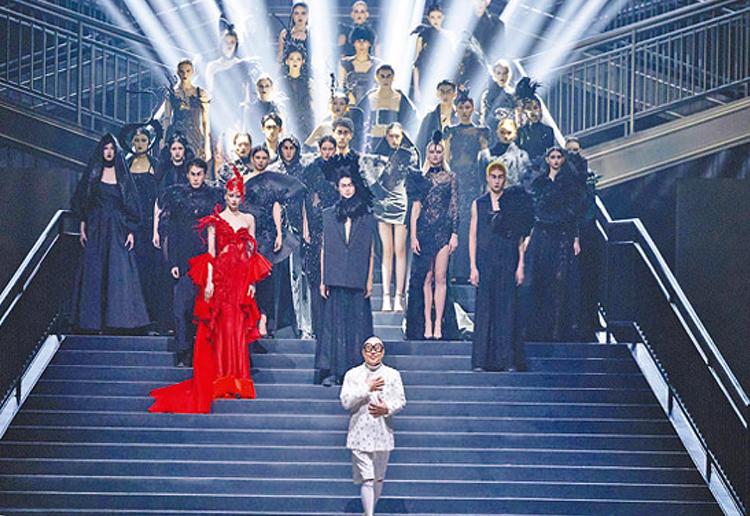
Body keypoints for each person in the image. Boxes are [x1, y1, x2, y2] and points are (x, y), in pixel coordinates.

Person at [149, 168, 272, 413]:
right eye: (231, 195)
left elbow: (252, 251)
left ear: (242, 196)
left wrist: (252, 283)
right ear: (225, 196)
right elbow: (211, 254)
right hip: (222, 278)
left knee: (238, 327)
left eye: (238, 196)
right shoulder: (215, 220)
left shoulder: (249, 219)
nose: (234, 199)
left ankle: (238, 379)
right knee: (224, 327)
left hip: (241, 277)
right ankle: (222, 377)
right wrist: (209, 283)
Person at [70, 133, 149, 331]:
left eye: (112, 149)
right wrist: (83, 225)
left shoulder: (123, 174)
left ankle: (120, 321)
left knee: (118, 272)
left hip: (117, 228)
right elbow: (83, 199)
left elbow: (132, 203)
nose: (109, 152)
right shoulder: (94, 172)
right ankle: (92, 322)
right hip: (96, 226)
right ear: (101, 150)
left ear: (117, 151)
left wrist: (131, 230)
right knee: (95, 271)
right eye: (106, 148)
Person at [470, 160, 534, 372]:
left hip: (508, 259)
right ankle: (481, 361)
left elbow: (520, 237)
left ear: (505, 179)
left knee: (507, 310)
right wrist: (473, 266)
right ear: (487, 178)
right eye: (493, 177)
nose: (496, 181)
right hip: (485, 261)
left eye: (500, 177)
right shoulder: (479, 204)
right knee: (484, 310)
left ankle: (507, 360)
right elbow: (473, 236)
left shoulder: (513, 202)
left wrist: (520, 265)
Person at [157, 158, 221, 366]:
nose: (196, 178)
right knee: (180, 308)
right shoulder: (177, 196)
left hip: (204, 258)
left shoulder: (213, 197)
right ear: (187, 175)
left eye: (199, 174)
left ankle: (202, 354)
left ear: (204, 175)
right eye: (192, 174)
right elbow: (173, 231)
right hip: (183, 259)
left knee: (202, 308)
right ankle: (183, 352)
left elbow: (217, 229)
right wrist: (173, 262)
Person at [521, 146, 588, 342]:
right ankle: (537, 329)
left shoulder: (569, 183)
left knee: (559, 281)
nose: (556, 160)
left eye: (559, 157)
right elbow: (533, 209)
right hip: (541, 234)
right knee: (538, 278)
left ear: (563, 159)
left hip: (561, 235)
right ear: (547, 159)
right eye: (553, 157)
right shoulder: (539, 182)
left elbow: (574, 213)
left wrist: (575, 237)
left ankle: (557, 330)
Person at [316, 173, 376, 386]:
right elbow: (324, 248)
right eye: (344, 185)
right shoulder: (329, 214)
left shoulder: (366, 215)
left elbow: (370, 250)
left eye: (350, 185)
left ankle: (357, 372)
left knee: (357, 326)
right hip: (335, 276)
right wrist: (323, 279)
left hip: (357, 277)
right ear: (338, 188)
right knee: (334, 326)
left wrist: (369, 279)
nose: (348, 189)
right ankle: (332, 371)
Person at [242, 145, 306, 336]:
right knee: (249, 277)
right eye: (257, 157)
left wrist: (279, 233)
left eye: (264, 158)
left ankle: (264, 319)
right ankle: (250, 319)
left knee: (266, 278)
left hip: (267, 233)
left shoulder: (272, 180)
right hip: (249, 231)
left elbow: (276, 207)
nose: (261, 161)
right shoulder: (245, 179)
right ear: (252, 159)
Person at [340, 336, 406, 516]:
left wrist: (387, 408)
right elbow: (346, 402)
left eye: (377, 348)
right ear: (363, 352)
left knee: (378, 478)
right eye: (369, 348)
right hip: (359, 433)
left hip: (383, 432)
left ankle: (369, 511)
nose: (373, 352)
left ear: (383, 352)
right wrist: (366, 388)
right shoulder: (352, 375)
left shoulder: (392, 374)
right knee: (367, 478)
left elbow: (400, 400)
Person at [406, 132, 460, 340]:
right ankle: (427, 323)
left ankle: (439, 324)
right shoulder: (420, 178)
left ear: (443, 153)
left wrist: (454, 233)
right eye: (432, 152)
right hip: (424, 232)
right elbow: (415, 209)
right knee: (426, 278)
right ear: (427, 154)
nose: (435, 155)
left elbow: (454, 207)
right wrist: (413, 236)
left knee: (441, 277)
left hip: (443, 232)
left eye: (438, 151)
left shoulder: (451, 177)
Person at [360, 123, 420, 312]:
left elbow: (415, 179)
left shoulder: (410, 155)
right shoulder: (377, 156)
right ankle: (386, 296)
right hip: (382, 203)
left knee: (400, 250)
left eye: (397, 136)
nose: (394, 139)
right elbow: (368, 176)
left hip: (401, 202)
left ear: (402, 136)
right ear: (386, 136)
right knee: (387, 250)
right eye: (391, 136)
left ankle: (399, 296)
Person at [268, 135, 314, 338]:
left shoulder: (303, 171)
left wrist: (306, 227)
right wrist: (278, 231)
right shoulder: (274, 171)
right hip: (278, 229)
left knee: (300, 277)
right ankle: (279, 327)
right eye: (285, 147)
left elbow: (305, 201)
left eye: (291, 147)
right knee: (280, 278)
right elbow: (275, 203)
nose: (288, 151)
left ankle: (305, 327)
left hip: (297, 228)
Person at [444, 88, 490, 283]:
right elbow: (446, 158)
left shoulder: (481, 132)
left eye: (468, 107)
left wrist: (486, 184)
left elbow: (486, 160)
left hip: (473, 182)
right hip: (455, 181)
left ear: (473, 109)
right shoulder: (450, 131)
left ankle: (471, 270)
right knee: (455, 223)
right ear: (456, 109)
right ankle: (454, 271)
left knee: (471, 224)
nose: (464, 111)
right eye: (461, 107)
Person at [124, 125, 164, 329]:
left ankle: (152, 315)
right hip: (131, 222)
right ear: (131, 142)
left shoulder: (155, 165)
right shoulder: (125, 164)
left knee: (151, 269)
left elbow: (160, 195)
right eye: (137, 140)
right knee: (132, 269)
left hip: (150, 223)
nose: (140, 144)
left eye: (143, 140)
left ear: (149, 143)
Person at [205, 18, 260, 161]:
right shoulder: (212, 66)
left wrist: (245, 116)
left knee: (236, 150)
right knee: (218, 151)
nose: (229, 45)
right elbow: (209, 92)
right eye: (226, 42)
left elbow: (247, 93)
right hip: (218, 110)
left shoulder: (242, 65)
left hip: (237, 113)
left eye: (232, 42)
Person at [301, 135, 339, 336]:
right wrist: (305, 226)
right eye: (324, 148)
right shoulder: (311, 169)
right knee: (315, 276)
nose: (327, 152)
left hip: (335, 224)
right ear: (319, 149)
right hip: (315, 225)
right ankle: (318, 325)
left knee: (333, 273)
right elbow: (305, 199)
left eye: (330, 149)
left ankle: (334, 326)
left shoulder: (341, 169)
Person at [359, 64, 417, 152]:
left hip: (393, 142)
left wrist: (403, 134)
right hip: (374, 141)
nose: (385, 80)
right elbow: (357, 116)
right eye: (382, 76)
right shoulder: (370, 97)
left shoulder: (400, 97)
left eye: (388, 76)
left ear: (393, 77)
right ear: (377, 78)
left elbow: (413, 118)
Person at [162, 59, 211, 162]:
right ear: (177, 72)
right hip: (176, 134)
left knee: (194, 163)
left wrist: (207, 145)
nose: (185, 74)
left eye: (188, 71)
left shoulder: (201, 93)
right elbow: (167, 118)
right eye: (182, 71)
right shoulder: (172, 94)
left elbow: (205, 121)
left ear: (192, 72)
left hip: (195, 135)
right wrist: (163, 139)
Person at [306, 80, 365, 152]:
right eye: (335, 103)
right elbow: (306, 145)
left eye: (341, 104)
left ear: (346, 106)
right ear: (330, 105)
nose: (337, 107)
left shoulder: (352, 125)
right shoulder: (324, 126)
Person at [411, 3, 452, 103]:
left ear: (443, 17)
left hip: (443, 79)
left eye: (438, 17)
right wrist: (416, 89)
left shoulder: (447, 37)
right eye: (432, 17)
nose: (435, 20)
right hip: (425, 79)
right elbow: (416, 65)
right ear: (428, 18)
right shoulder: (423, 36)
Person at [476, 117, 530, 188]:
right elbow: (482, 180)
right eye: (502, 132)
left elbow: (526, 179)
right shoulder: (485, 155)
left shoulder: (522, 155)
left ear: (515, 134)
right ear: (497, 133)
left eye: (509, 133)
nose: (505, 136)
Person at [515, 77, 555, 165]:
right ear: (523, 111)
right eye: (528, 108)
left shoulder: (548, 131)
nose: (534, 112)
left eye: (536, 108)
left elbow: (551, 154)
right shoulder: (519, 132)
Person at [339, 25, 381, 107]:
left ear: (370, 43)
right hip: (349, 106)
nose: (361, 44)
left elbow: (381, 89)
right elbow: (341, 87)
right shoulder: (344, 63)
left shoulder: (378, 64)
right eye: (358, 41)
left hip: (372, 106)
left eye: (364, 41)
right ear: (353, 43)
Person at [416, 79, 457, 156]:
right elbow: (420, 143)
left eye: (448, 92)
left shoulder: (461, 116)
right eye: (442, 92)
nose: (445, 95)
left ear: (455, 95)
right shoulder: (429, 118)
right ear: (437, 94)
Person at [282, 44, 315, 141]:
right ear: (287, 61)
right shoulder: (280, 82)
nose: (295, 62)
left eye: (298, 59)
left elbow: (314, 104)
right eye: (292, 59)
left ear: (303, 62)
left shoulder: (309, 82)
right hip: (288, 122)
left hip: (306, 123)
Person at [480, 59, 515, 144]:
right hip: (492, 134)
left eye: (505, 73)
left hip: (509, 133)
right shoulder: (487, 94)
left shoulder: (514, 94)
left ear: (509, 74)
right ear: (494, 74)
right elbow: (483, 116)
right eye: (498, 73)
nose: (502, 76)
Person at [246, 75, 282, 145]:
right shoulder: (251, 108)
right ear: (257, 88)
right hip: (256, 142)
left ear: (271, 88)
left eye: (267, 86)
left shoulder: (277, 108)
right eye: (261, 86)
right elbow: (247, 128)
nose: (264, 89)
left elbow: (281, 130)